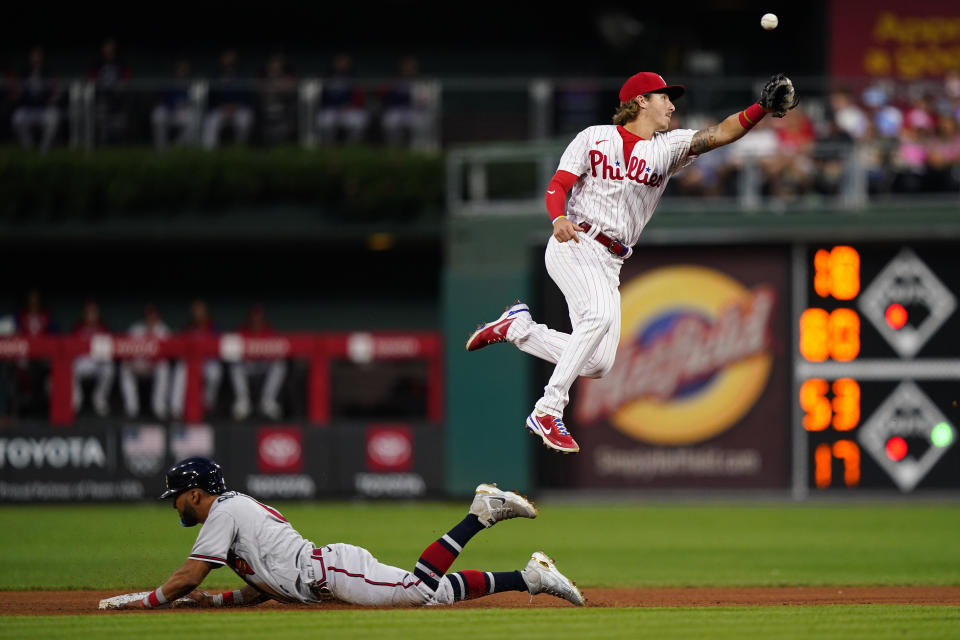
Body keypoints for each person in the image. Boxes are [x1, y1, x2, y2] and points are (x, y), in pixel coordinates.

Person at [465, 72, 799, 453]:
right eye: (664, 98)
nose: (671, 105)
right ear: (640, 101)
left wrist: (759, 109)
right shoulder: (593, 138)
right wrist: (558, 217)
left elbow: (719, 134)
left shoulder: (668, 146)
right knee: (598, 318)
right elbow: (558, 184)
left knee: (598, 365)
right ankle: (548, 408)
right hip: (576, 240)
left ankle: (518, 329)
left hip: (611, 261)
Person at [108, 457, 583, 610]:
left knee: (419, 591)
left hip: (332, 573)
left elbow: (189, 575)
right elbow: (263, 586)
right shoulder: (231, 515)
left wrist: (148, 600)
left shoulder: (223, 514)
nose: (174, 504)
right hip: (326, 573)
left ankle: (482, 513)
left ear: (194, 493)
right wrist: (214, 603)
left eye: (175, 496)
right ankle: (531, 577)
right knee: (433, 596)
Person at [228, 304, 286, 420]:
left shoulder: (270, 332)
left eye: (259, 319)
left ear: (263, 320)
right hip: (248, 366)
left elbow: (281, 349)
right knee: (235, 366)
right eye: (254, 319)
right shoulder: (242, 331)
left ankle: (268, 402)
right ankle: (243, 403)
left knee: (279, 365)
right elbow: (230, 351)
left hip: (263, 366)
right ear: (249, 320)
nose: (256, 321)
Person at [170, 299, 223, 420]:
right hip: (190, 363)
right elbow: (177, 347)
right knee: (180, 368)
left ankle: (208, 403)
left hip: (208, 363)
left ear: (205, 312)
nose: (198, 313)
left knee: (215, 372)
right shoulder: (187, 328)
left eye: (200, 310)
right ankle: (175, 409)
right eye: (195, 311)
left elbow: (220, 347)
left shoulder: (212, 328)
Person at [119, 304, 172, 419]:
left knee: (164, 367)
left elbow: (167, 354)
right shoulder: (135, 329)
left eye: (153, 316)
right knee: (125, 367)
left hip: (155, 366)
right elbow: (126, 352)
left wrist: (152, 363)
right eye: (149, 316)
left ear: (158, 317)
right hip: (138, 363)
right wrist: (133, 363)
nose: (151, 319)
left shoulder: (164, 330)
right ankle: (131, 408)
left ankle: (159, 408)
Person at [10, 46, 61, 152]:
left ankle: (44, 150)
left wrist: (54, 96)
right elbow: (15, 90)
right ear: (30, 58)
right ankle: (28, 148)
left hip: (44, 108)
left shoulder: (48, 71)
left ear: (42, 58)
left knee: (54, 118)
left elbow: (56, 89)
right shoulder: (23, 71)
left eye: (38, 56)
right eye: (34, 56)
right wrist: (17, 93)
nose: (36, 59)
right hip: (27, 108)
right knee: (17, 119)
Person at [202, 49, 255, 150]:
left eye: (231, 58)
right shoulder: (216, 76)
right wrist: (221, 107)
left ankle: (239, 150)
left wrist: (236, 106)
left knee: (245, 120)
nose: (229, 61)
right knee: (211, 121)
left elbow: (248, 97)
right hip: (221, 109)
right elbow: (211, 98)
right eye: (226, 58)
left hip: (238, 109)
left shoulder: (242, 76)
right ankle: (208, 152)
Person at [72, 298, 115, 417]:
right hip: (82, 362)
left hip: (98, 361)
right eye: (88, 312)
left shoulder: (103, 328)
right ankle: (75, 402)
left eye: (93, 312)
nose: (91, 315)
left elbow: (110, 349)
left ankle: (99, 400)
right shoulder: (78, 328)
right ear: (84, 313)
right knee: (69, 368)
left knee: (109, 368)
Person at [316, 53, 368, 145]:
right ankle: (328, 146)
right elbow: (321, 96)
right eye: (339, 62)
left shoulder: (353, 76)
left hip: (349, 108)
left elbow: (359, 96)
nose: (341, 64)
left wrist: (350, 105)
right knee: (325, 120)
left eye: (344, 62)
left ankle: (352, 146)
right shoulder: (327, 76)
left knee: (359, 120)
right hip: (330, 108)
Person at [88, 37, 131, 146]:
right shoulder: (97, 63)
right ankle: (102, 144)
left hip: (118, 99)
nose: (108, 49)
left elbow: (126, 79)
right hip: (101, 98)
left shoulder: (121, 62)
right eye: (106, 47)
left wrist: (120, 87)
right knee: (102, 123)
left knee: (119, 125)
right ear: (103, 49)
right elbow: (91, 80)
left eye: (111, 47)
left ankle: (118, 145)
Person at [151, 59, 198, 150]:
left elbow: (195, 101)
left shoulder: (191, 83)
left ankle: (178, 146)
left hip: (182, 112)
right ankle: (161, 148)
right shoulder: (169, 82)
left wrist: (186, 103)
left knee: (194, 119)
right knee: (158, 114)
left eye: (184, 69)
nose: (182, 71)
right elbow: (161, 99)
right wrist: (172, 104)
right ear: (176, 70)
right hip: (168, 110)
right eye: (180, 69)